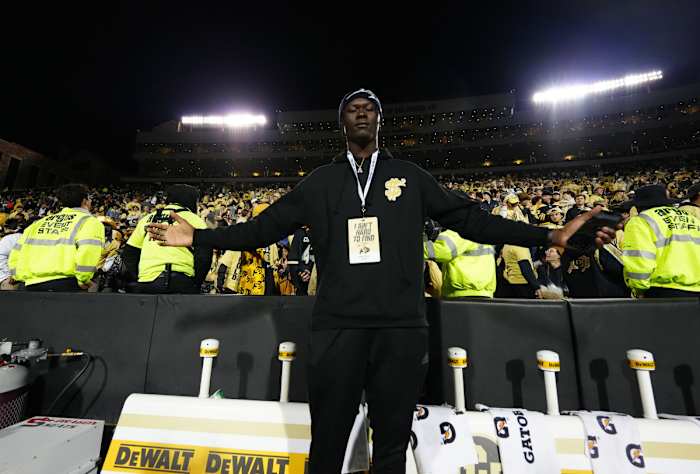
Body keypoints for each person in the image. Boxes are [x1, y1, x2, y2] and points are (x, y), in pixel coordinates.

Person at [146, 88, 616, 473]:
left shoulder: (410, 176)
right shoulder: (319, 183)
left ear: (379, 121)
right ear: (342, 124)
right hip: (338, 327)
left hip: (401, 329)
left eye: (370, 109)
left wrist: (548, 234)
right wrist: (198, 238)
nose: (362, 114)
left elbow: (473, 220)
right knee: (327, 443)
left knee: (391, 445)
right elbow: (262, 229)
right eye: (353, 110)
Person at [8, 184, 104, 291]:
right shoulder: (89, 222)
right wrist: (84, 279)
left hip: (29, 284)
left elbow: (16, 252)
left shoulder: (38, 223)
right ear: (85, 200)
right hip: (66, 284)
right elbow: (88, 251)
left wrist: (17, 276)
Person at [123, 184, 211, 294]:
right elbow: (204, 257)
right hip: (180, 281)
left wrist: (140, 276)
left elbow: (129, 253)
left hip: (146, 282)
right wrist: (196, 283)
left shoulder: (147, 219)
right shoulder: (194, 220)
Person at [621, 184, 700, 298]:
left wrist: (638, 290)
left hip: (662, 291)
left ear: (639, 206)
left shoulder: (641, 221)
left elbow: (640, 260)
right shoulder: (692, 219)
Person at [424, 227, 496, 298]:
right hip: (484, 292)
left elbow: (443, 250)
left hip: (462, 292)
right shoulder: (482, 230)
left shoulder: (462, 230)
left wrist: (417, 248)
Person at [0, 219, 22, 290]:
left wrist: (9, 275)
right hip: (21, 274)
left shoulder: (7, 239)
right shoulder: (24, 236)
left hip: (8, 277)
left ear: (6, 227)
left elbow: (1, 257)